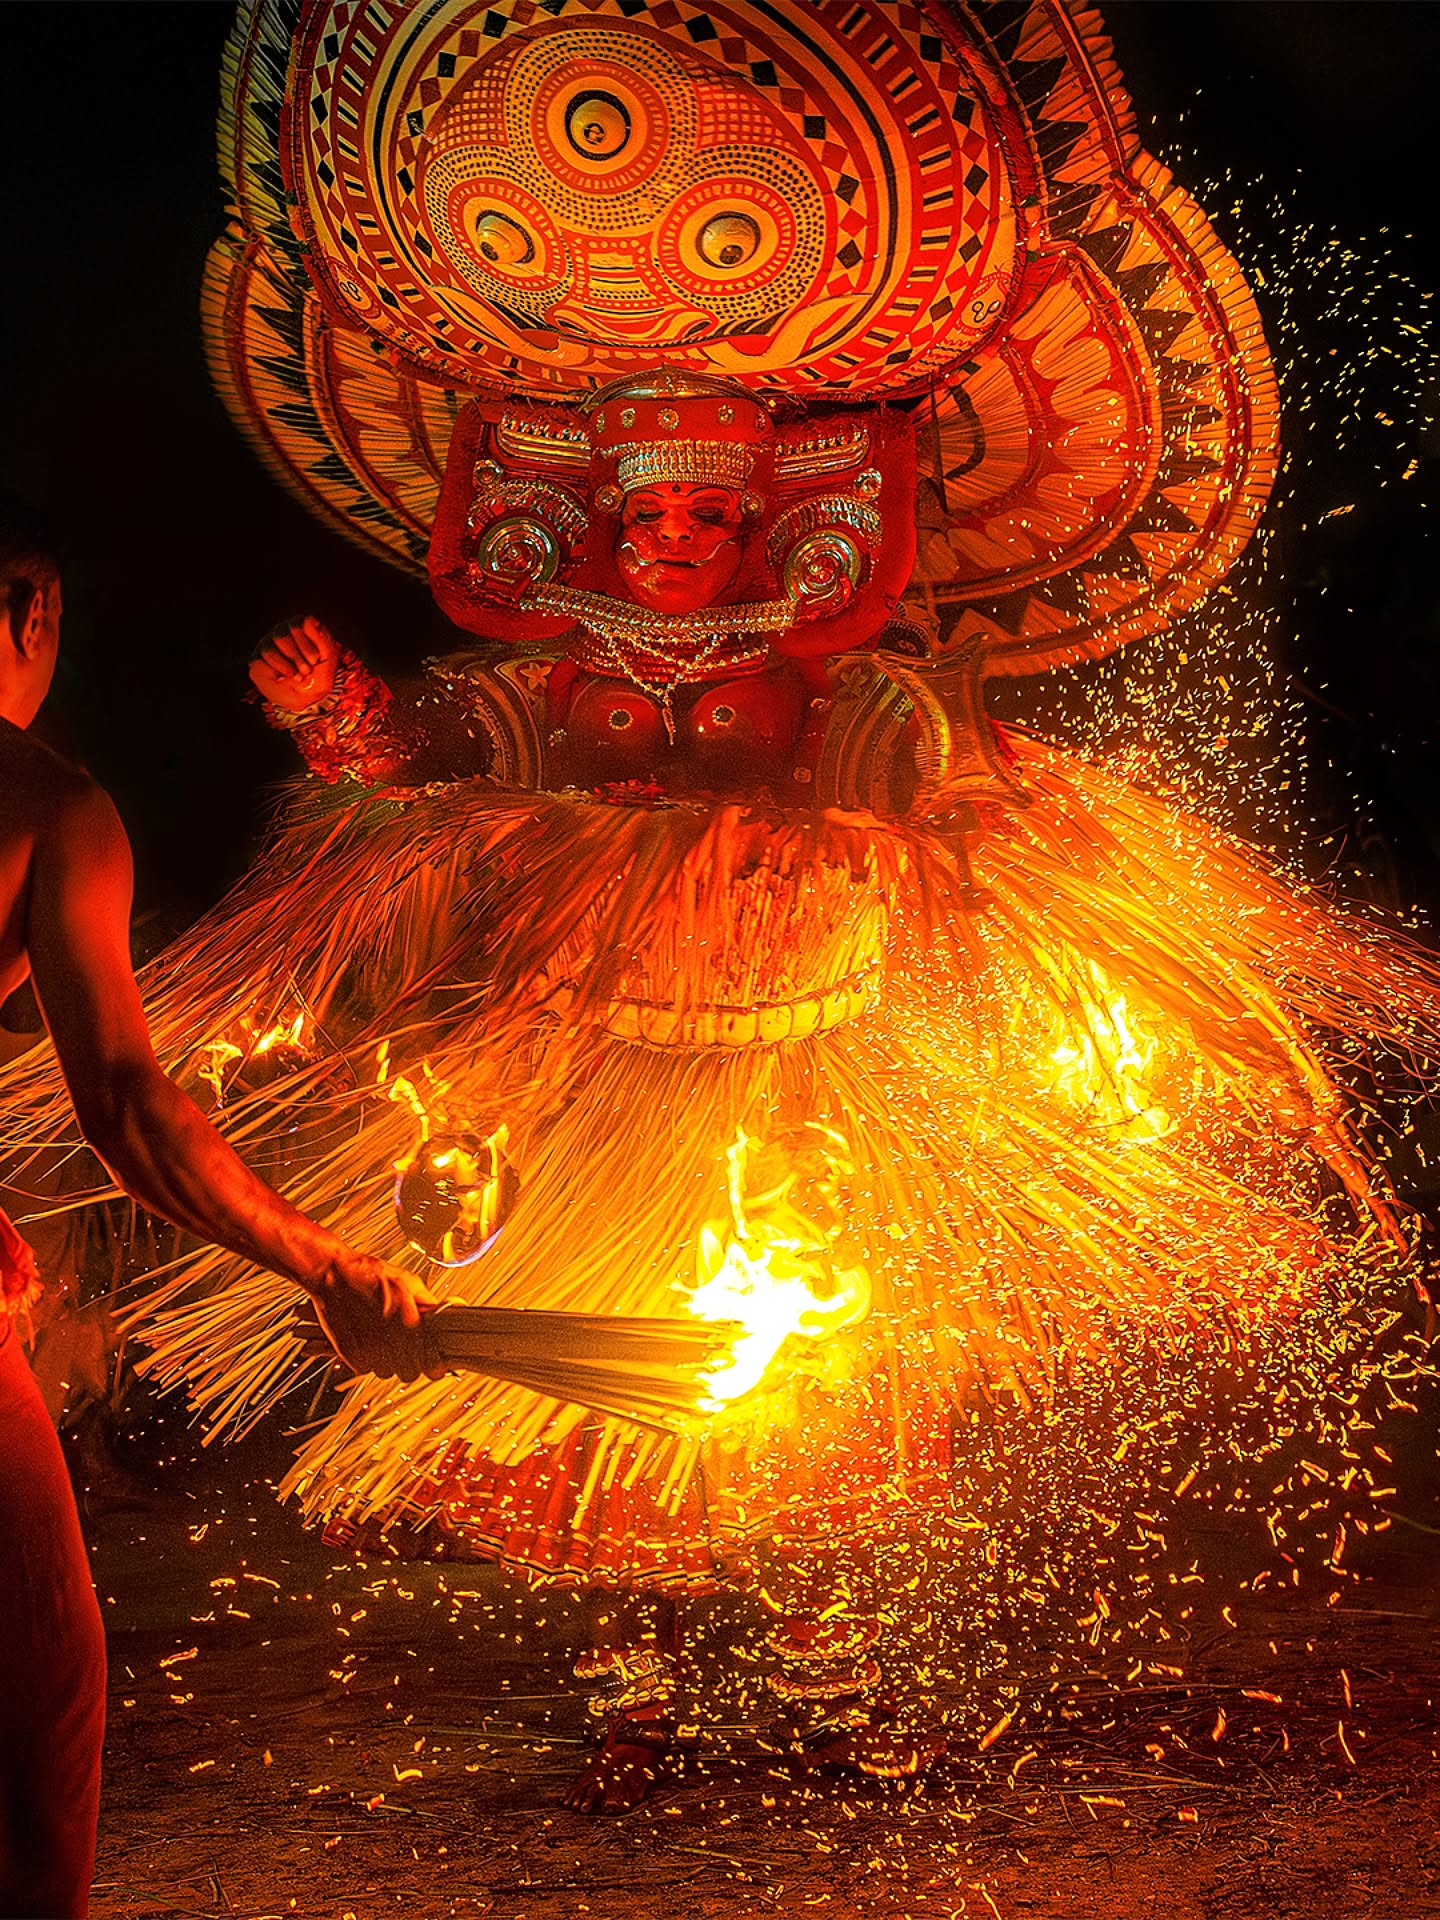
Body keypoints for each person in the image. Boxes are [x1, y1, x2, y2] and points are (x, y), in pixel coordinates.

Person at [0, 506, 437, 1917]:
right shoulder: (44, 806)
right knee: (32, 1691)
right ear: (28, 617)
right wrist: (319, 1260)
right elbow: (125, 1106)